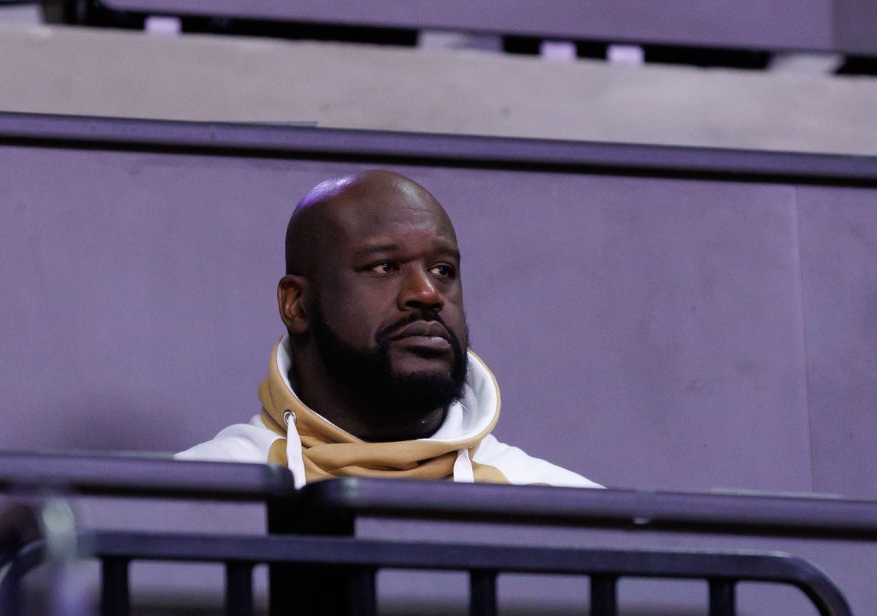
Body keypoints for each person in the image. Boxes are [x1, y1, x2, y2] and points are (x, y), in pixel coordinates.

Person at [177, 170, 600, 489]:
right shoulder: (199, 495)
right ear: (297, 304)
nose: (427, 293)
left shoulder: (560, 506)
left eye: (442, 269)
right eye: (384, 266)